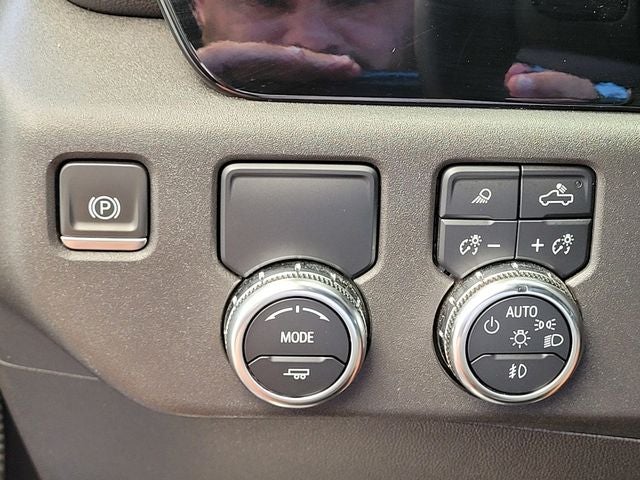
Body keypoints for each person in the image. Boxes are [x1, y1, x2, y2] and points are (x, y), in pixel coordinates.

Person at [191, 0, 626, 102]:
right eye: (265, 0)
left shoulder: (504, 98)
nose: (310, 40)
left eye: (354, 0)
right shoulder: (156, 110)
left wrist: (596, 110)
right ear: (196, 6)